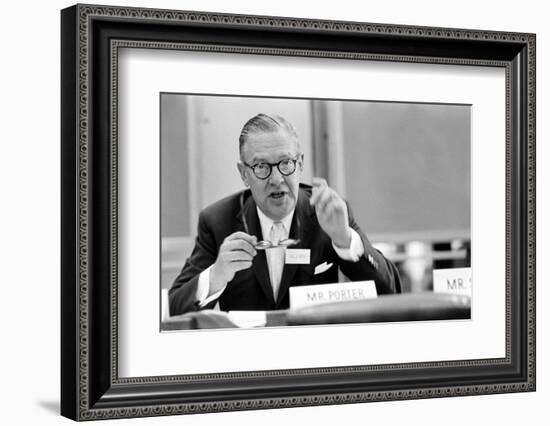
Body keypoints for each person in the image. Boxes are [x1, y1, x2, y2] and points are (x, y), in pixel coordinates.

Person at [169, 113, 401, 316]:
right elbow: (174, 307)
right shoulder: (218, 221)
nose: (277, 179)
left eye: (286, 163)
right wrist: (217, 274)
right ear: (243, 173)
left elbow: (391, 292)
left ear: (300, 164)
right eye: (261, 167)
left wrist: (344, 239)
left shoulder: (327, 212)